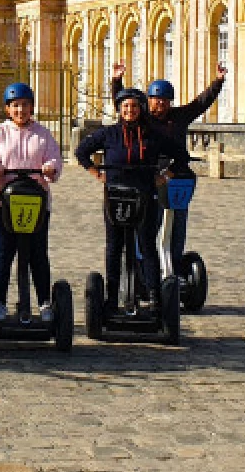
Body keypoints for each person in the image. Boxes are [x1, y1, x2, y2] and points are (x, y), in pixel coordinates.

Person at [75, 88, 189, 314]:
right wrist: (96, 173)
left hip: (145, 195)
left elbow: (182, 156)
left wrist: (165, 176)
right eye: (125, 106)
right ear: (119, 109)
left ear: (141, 109)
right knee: (114, 247)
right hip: (115, 196)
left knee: (147, 246)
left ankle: (155, 297)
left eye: (134, 106)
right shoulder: (109, 134)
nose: (130, 110)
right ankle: (111, 299)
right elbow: (81, 151)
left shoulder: (152, 134)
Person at [110, 61, 226, 282]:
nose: (160, 103)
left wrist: (218, 82)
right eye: (156, 99)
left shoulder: (179, 116)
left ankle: (174, 264)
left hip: (176, 176)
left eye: (164, 99)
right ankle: (146, 266)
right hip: (150, 177)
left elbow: (202, 103)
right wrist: (117, 81)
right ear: (149, 100)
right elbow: (123, 104)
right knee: (150, 224)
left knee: (177, 224)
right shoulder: (143, 120)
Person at [0, 82, 63, 322]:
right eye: (15, 106)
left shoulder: (43, 134)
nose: (20, 110)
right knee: (4, 253)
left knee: (38, 252)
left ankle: (44, 302)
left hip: (35, 201)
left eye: (25, 105)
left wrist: (50, 168)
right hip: (1, 202)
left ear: (32, 107)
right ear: (8, 109)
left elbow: (55, 159)